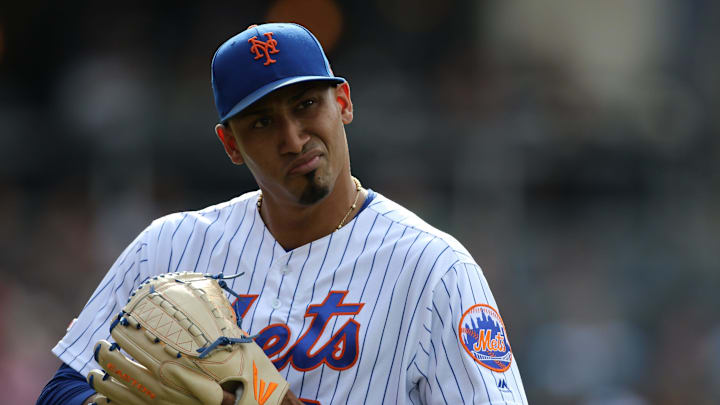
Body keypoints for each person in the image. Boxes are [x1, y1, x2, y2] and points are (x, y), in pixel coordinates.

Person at [37, 22, 528, 404]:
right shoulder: (167, 246)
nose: (292, 139)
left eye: (307, 104)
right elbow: (62, 388)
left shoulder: (436, 269)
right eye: (263, 122)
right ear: (230, 144)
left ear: (344, 103)